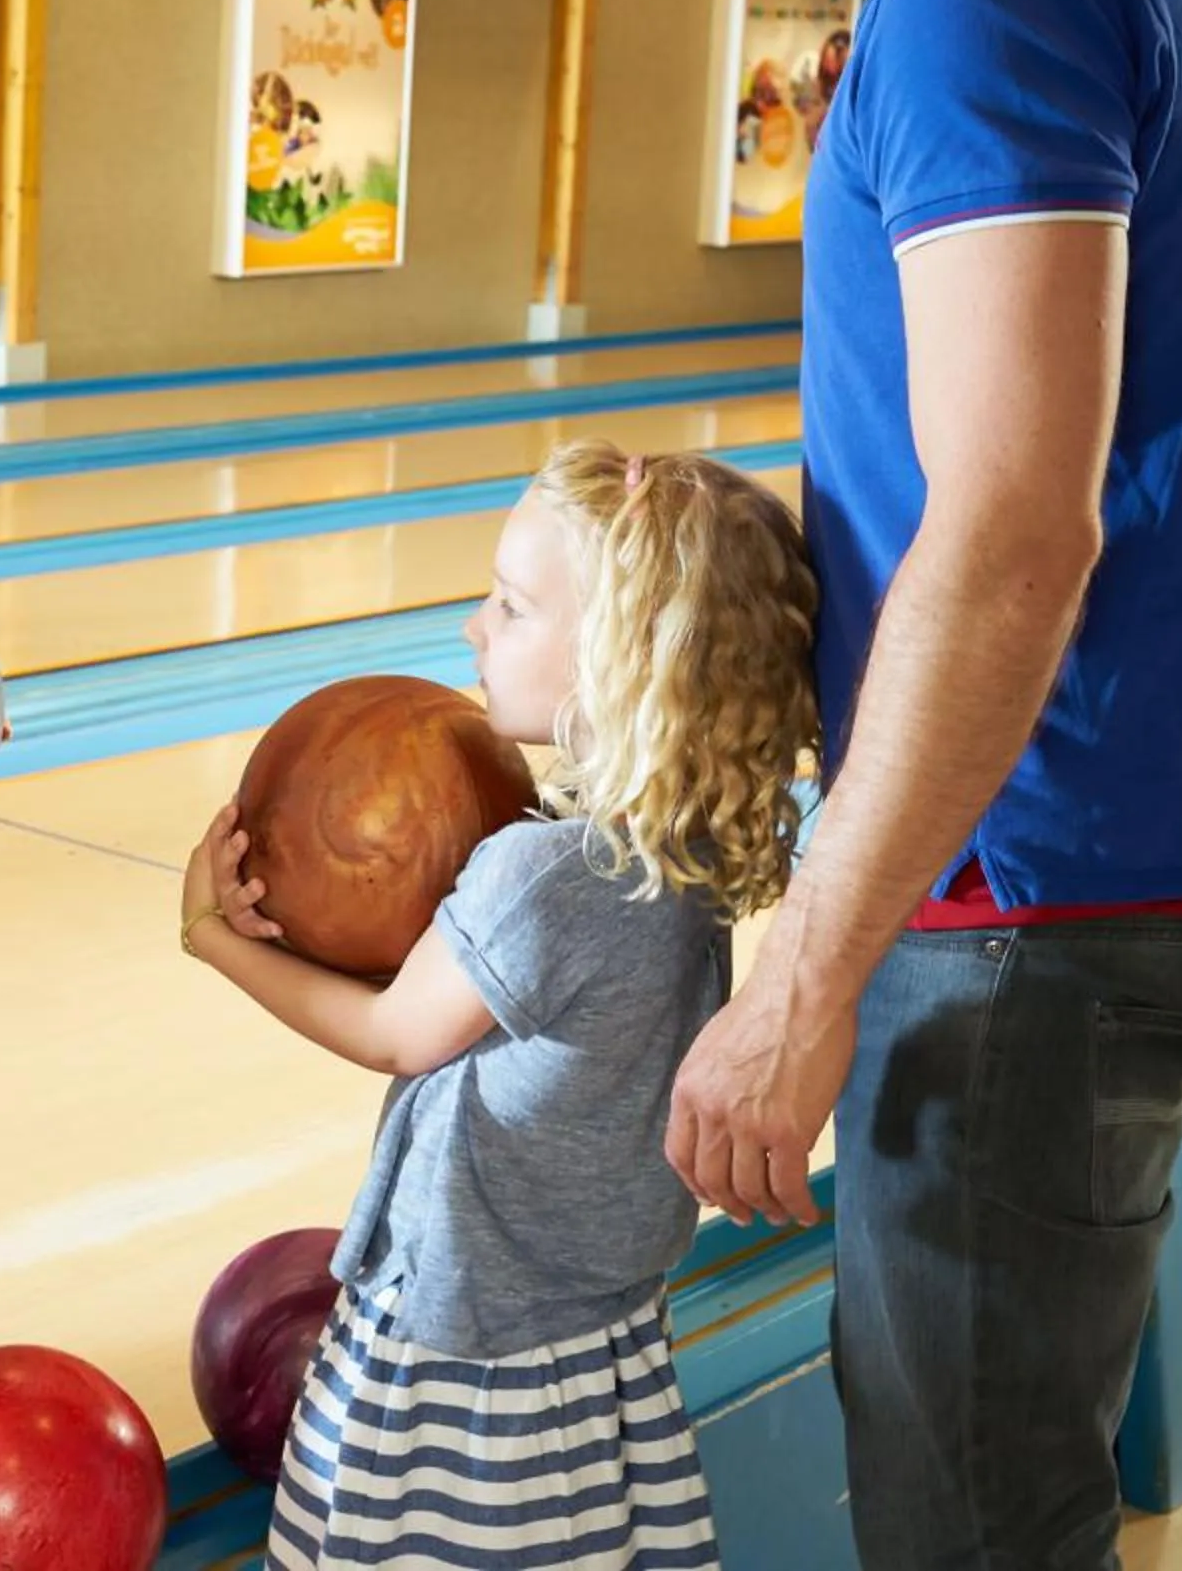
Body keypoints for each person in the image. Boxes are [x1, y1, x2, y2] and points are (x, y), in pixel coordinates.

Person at [641, 0, 1182, 1562]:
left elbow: (1019, 520)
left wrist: (808, 975)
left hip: (1029, 876)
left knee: (970, 1530)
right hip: (1125, 847)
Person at [182, 443, 818, 1571]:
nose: (475, 628)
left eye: (514, 607)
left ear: (626, 660)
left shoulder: (542, 876)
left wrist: (215, 938)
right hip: (590, 1340)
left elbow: (397, 1033)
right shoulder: (681, 844)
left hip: (464, 1356)